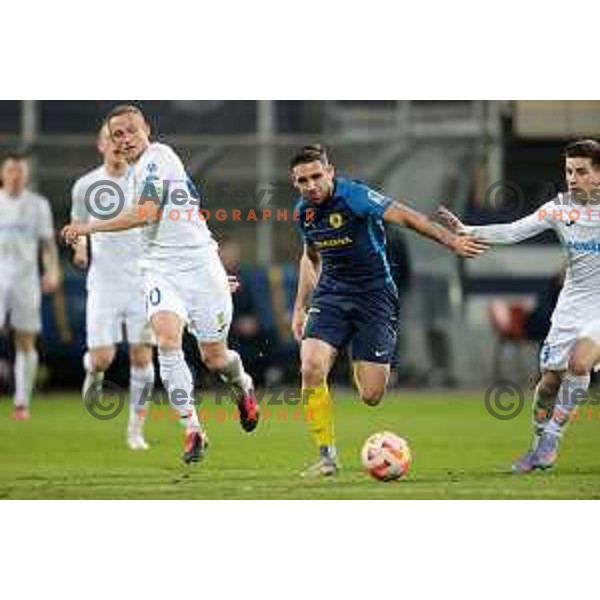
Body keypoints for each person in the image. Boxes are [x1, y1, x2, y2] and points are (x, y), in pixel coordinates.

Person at [62, 104, 258, 465]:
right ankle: (193, 429)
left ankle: (242, 385)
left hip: (199, 266)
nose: (124, 140)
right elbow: (153, 228)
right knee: (166, 341)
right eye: (116, 134)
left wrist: (89, 228)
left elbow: (145, 213)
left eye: (129, 131)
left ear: (146, 129)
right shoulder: (132, 173)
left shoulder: (158, 156)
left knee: (215, 358)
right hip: (159, 270)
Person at [290, 144, 486, 477]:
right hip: (332, 295)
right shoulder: (303, 212)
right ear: (295, 183)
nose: (310, 185)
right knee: (311, 367)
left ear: (330, 172)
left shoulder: (356, 197)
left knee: (371, 395)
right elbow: (310, 257)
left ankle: (357, 353)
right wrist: (299, 307)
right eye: (302, 180)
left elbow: (409, 218)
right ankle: (327, 456)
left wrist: (451, 241)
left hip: (374, 296)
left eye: (316, 176)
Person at [437, 139, 600, 473]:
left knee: (580, 364)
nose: (573, 177)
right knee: (548, 386)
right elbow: (514, 231)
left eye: (581, 171)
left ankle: (552, 439)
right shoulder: (559, 209)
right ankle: (538, 443)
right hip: (571, 304)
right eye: (569, 171)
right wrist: (468, 229)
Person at [70, 125, 155, 450]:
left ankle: (136, 429)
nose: (118, 144)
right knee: (103, 358)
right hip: (104, 284)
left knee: (141, 356)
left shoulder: (142, 179)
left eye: (122, 138)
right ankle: (93, 371)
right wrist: (80, 248)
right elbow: (79, 226)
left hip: (140, 282)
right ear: (100, 144)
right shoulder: (85, 185)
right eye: (111, 138)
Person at [0, 152, 59, 420]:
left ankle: (21, 402)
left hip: (26, 279)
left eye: (20, 171)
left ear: (26, 175)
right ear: (3, 173)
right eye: (11, 170)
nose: (15, 176)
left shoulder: (38, 205)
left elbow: (47, 245)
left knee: (25, 340)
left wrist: (52, 270)